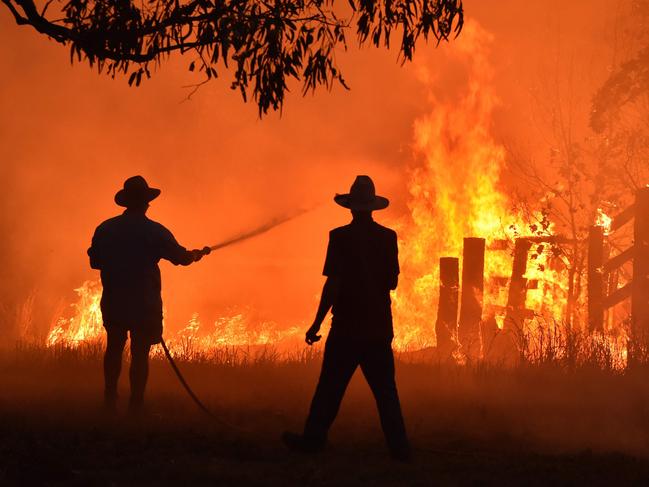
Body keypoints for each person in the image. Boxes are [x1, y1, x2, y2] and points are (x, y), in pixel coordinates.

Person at [282, 175, 411, 461]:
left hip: (347, 328)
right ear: (372, 208)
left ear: (351, 208)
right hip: (378, 328)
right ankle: (400, 450)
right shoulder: (388, 238)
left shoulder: (339, 237)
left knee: (329, 387)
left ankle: (313, 440)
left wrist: (316, 323)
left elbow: (333, 284)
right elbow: (392, 282)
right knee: (386, 392)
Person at [88, 175, 211, 413]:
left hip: (114, 300)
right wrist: (196, 254)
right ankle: (136, 405)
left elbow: (95, 262)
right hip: (144, 303)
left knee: (114, 348)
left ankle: (109, 399)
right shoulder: (155, 231)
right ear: (145, 203)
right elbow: (181, 258)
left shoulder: (105, 229)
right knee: (140, 353)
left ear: (126, 203)